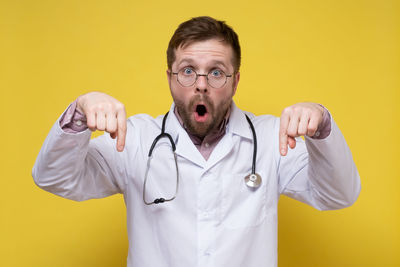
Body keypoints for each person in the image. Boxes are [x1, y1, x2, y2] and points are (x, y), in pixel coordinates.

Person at [32, 16, 361, 267]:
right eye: (188, 70)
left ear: (235, 82)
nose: (201, 84)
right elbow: (54, 178)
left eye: (216, 72)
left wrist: (322, 124)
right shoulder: (133, 140)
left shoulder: (272, 139)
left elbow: (338, 194)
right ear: (170, 78)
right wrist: (79, 113)